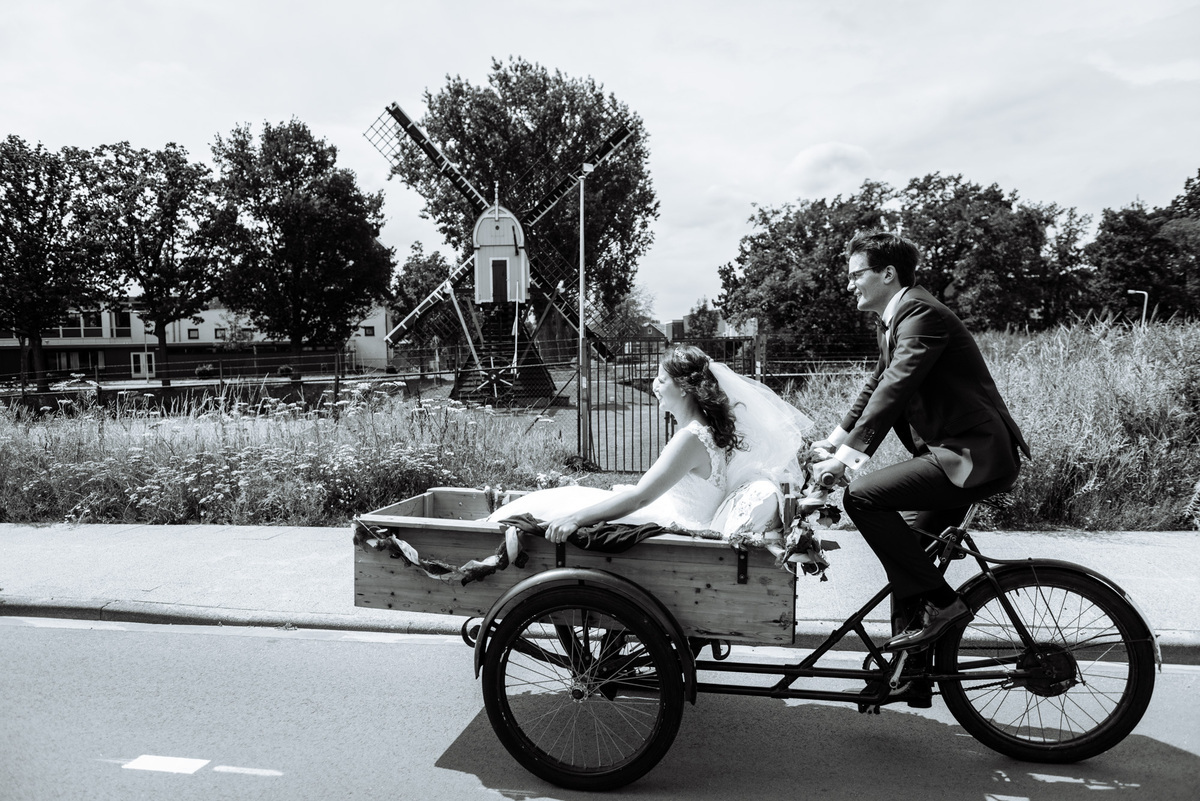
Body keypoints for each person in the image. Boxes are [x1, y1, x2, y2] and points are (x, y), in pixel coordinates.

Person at [811, 231, 1030, 666]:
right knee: (907, 556)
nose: (849, 283)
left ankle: (944, 605)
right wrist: (833, 441)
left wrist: (845, 462)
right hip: (952, 455)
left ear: (888, 274)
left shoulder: (920, 313)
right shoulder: (895, 319)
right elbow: (875, 384)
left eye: (857, 274)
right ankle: (908, 676)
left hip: (971, 456)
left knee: (862, 496)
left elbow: (896, 388)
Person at [487, 345, 814, 542]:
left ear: (683, 387)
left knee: (568, 509)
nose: (654, 386)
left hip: (671, 527)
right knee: (569, 498)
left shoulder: (690, 438)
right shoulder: (703, 431)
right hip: (672, 516)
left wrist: (575, 520)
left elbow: (641, 498)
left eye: (661, 379)